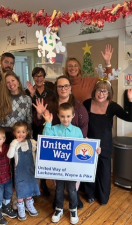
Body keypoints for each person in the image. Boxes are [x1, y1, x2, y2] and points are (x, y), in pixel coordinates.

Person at [33, 75, 88, 209]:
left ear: (70, 88)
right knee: (58, 178)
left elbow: (84, 127)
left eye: (66, 86)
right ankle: (58, 200)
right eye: (60, 86)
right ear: (56, 88)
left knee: (74, 180)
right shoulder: (49, 104)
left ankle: (73, 198)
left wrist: (82, 146)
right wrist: (40, 114)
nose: (63, 88)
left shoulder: (79, 107)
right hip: (56, 150)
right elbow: (39, 123)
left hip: (73, 148)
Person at [82, 81, 132, 205]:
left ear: (109, 93)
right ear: (94, 91)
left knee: (104, 171)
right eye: (99, 90)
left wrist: (131, 101)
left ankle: (103, 197)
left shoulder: (112, 106)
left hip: (105, 144)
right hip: (89, 143)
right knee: (89, 169)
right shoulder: (86, 104)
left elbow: (130, 118)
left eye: (104, 91)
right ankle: (90, 194)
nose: (101, 93)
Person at [42, 103, 83, 225]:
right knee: (59, 189)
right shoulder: (53, 129)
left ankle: (73, 209)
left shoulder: (77, 131)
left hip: (72, 168)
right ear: (58, 116)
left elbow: (83, 146)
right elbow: (46, 141)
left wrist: (95, 149)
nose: (65, 119)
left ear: (73, 116)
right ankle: (58, 209)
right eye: (63, 116)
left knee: (72, 190)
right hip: (58, 168)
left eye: (68, 116)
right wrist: (48, 123)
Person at [25, 67, 54, 196]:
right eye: (36, 76)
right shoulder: (28, 92)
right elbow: (26, 109)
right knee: (34, 156)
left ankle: (43, 182)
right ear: (33, 77)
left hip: (47, 126)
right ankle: (34, 185)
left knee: (45, 155)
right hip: (33, 127)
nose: (39, 78)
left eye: (41, 75)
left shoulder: (51, 91)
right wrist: (31, 96)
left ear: (44, 77)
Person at [7, 121, 40, 221]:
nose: (21, 134)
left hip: (31, 172)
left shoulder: (32, 142)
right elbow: (9, 155)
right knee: (20, 191)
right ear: (14, 133)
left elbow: (41, 149)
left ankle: (29, 205)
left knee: (30, 190)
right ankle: (21, 207)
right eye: (18, 132)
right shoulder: (14, 144)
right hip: (20, 173)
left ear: (27, 132)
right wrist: (14, 143)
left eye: (23, 132)